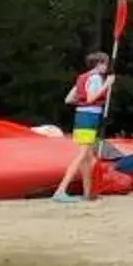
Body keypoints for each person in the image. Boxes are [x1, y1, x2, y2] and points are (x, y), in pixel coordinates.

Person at [52, 50, 114, 204]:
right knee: (82, 155)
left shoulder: (82, 77)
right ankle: (60, 190)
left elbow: (69, 99)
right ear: (99, 64)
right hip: (89, 118)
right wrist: (107, 84)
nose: (106, 67)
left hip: (81, 116)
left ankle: (88, 193)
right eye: (105, 64)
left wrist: (83, 103)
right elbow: (92, 97)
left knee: (86, 157)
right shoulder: (96, 79)